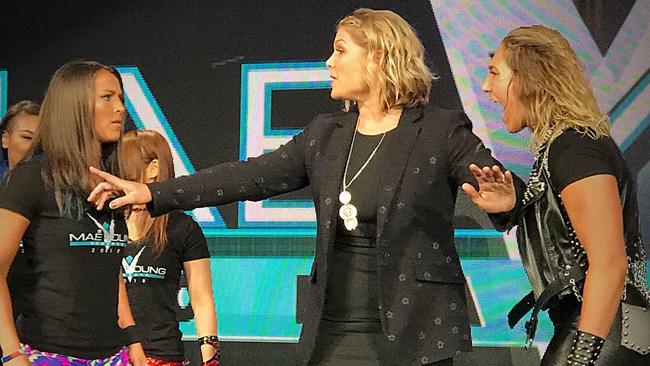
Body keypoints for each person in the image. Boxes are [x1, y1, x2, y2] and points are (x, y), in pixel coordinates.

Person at [88, 8, 520, 366]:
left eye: (339, 51)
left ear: (378, 58)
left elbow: (502, 186)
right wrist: (154, 194)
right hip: (335, 331)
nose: (328, 63)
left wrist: (507, 201)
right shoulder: (325, 135)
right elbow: (247, 176)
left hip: (416, 334)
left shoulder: (440, 130)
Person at [465, 25, 650, 365]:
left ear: (530, 78)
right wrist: (517, 207)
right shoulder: (565, 146)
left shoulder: (575, 147)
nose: (486, 87)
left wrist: (581, 357)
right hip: (605, 327)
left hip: (601, 332)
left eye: (494, 73)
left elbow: (609, 264)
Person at [0, 60, 146, 365]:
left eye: (121, 99)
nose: (120, 108)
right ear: (74, 105)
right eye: (107, 97)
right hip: (48, 354)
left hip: (113, 356)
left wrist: (133, 340)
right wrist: (11, 353)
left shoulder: (110, 185)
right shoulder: (31, 179)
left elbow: (109, 269)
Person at [119, 130, 220, 366]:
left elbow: (202, 299)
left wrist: (211, 362)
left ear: (154, 168)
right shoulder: (105, 223)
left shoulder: (182, 228)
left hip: (162, 356)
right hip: (110, 355)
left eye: (124, 164)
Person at [1, 101, 41, 324]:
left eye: (41, 142)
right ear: (5, 139)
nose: (33, 148)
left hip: (38, 330)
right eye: (26, 138)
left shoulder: (62, 202)